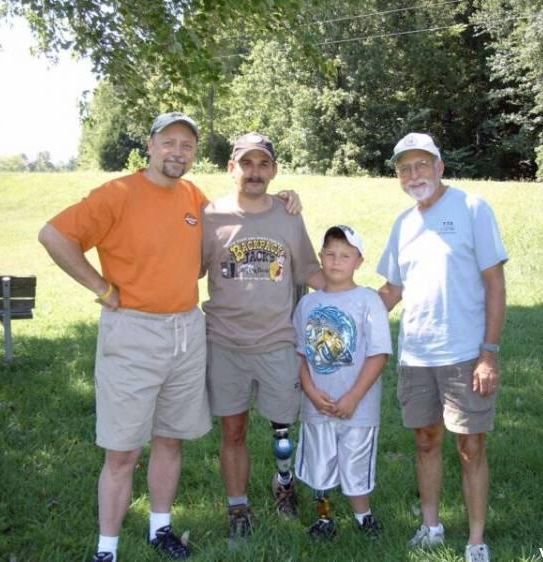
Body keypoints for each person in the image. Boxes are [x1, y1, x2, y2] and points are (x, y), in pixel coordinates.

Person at [38, 114, 299, 562]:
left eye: (187, 145)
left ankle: (161, 528)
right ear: (151, 144)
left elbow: (240, 212)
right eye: (169, 142)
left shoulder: (192, 197)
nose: (178, 151)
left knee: (169, 439)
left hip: (187, 330)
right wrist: (102, 288)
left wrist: (281, 199)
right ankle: (107, 549)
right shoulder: (116, 194)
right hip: (133, 331)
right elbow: (54, 235)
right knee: (122, 450)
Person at [377, 133, 508, 562]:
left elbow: (494, 283)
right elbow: (392, 291)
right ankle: (430, 526)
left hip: (466, 355)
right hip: (416, 355)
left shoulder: (472, 208)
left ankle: (476, 541)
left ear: (439, 166)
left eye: (421, 165)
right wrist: (343, 310)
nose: (414, 175)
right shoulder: (404, 223)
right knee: (426, 442)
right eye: (404, 169)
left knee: (471, 448)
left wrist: (489, 353)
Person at [201, 132, 325, 543]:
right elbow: (183, 270)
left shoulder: (288, 215)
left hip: (277, 341)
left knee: (283, 426)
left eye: (263, 164)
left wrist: (356, 298)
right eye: (247, 163)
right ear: (231, 167)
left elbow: (309, 271)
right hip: (225, 342)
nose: (255, 172)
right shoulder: (210, 216)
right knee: (232, 431)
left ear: (273, 170)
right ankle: (238, 506)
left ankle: (283, 484)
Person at [293, 225, 392, 540]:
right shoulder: (307, 304)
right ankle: (324, 518)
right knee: (319, 466)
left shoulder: (368, 301)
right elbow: (301, 355)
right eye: (330, 254)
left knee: (356, 462)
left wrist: (353, 397)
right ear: (321, 257)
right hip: (318, 403)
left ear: (359, 261)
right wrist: (309, 391)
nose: (336, 262)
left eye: (345, 255)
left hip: (357, 407)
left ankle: (364, 517)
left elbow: (378, 355)